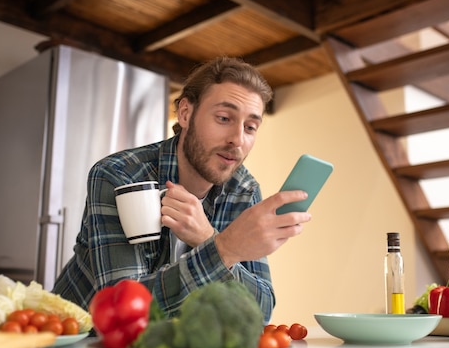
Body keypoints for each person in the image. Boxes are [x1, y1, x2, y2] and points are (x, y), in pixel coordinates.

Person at [52, 56, 311, 323]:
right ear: (186, 113)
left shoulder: (243, 190)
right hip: (77, 343)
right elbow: (123, 311)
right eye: (224, 118)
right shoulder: (120, 175)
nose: (238, 139)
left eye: (250, 127)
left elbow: (261, 312)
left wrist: (208, 239)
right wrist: (223, 249)